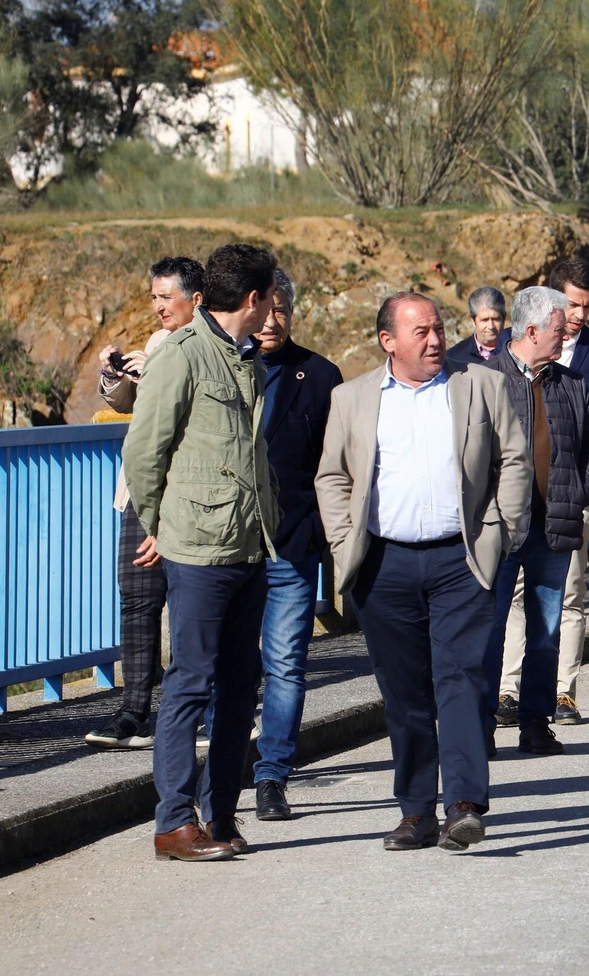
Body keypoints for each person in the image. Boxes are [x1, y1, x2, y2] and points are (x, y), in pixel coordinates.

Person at [316, 292, 530, 852]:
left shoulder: (479, 384)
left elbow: (514, 457)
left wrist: (503, 532)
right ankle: (416, 811)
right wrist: (344, 543)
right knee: (404, 692)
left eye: (438, 329)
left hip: (460, 559)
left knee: (460, 678)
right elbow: (332, 477)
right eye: (421, 333)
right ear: (389, 341)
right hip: (383, 565)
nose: (435, 341)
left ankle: (463, 803)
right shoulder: (353, 398)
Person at [122, 244, 280, 861]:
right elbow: (144, 450)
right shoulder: (183, 354)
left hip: (248, 545)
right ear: (253, 300)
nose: (273, 310)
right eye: (270, 298)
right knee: (190, 682)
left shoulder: (249, 362)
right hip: (197, 549)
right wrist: (162, 522)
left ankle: (221, 815)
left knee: (242, 684)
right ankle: (171, 823)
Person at [85, 256, 205, 750]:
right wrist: (115, 374)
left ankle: (195, 711)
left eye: (164, 298)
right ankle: (133, 709)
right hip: (140, 490)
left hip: (189, 493)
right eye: (153, 297)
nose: (156, 307)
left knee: (190, 604)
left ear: (194, 298)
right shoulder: (157, 341)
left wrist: (152, 367)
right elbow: (126, 403)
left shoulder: (213, 344)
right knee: (137, 598)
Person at [482, 287, 589, 756]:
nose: (567, 334)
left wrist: (582, 490)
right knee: (488, 630)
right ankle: (481, 726)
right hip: (497, 529)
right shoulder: (481, 378)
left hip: (553, 526)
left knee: (545, 630)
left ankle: (535, 724)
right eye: (558, 329)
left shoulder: (569, 383)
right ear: (530, 330)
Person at [247, 269, 343, 822]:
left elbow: (336, 466)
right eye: (266, 309)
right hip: (230, 545)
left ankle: (271, 777)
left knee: (285, 663)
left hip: (292, 546)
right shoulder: (223, 366)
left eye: (283, 309)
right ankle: (225, 758)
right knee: (224, 664)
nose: (273, 320)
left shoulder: (321, 375)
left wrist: (329, 538)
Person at [447, 286, 506, 366]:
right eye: (484, 320)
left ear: (504, 319)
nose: (491, 326)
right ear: (473, 321)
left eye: (495, 319)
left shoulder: (519, 350)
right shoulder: (454, 358)